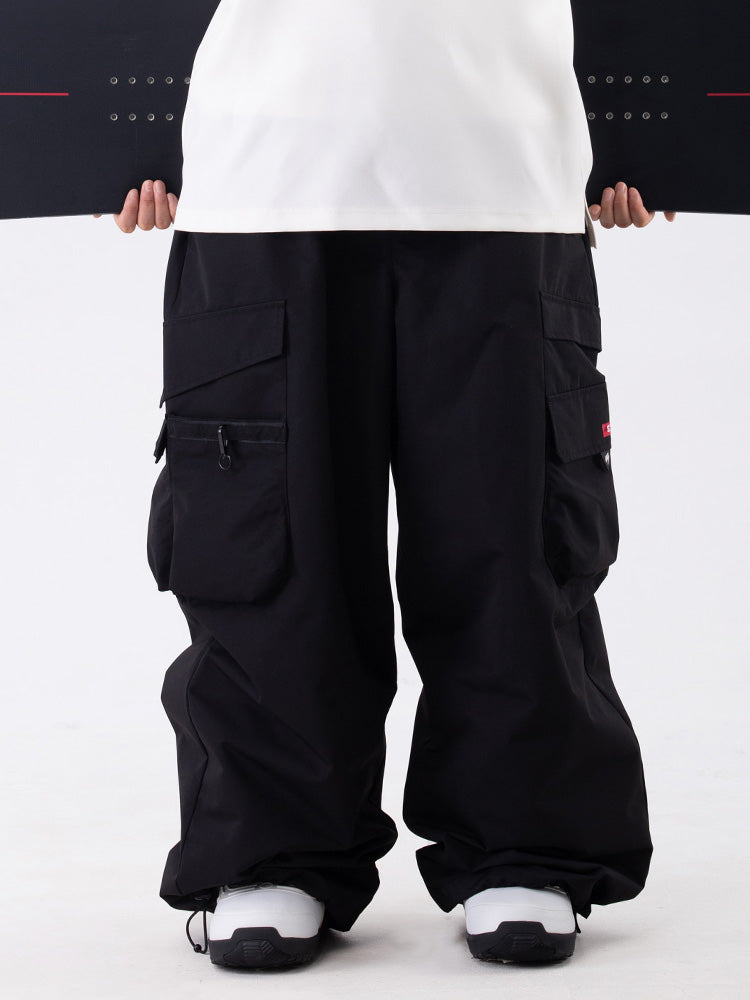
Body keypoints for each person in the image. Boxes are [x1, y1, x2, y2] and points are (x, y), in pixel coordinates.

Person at [97, 0, 675, 970]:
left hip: (505, 164)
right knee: (271, 532)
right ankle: (273, 847)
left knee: (514, 525)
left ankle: (524, 840)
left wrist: (655, 140)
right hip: (260, 170)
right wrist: (108, 140)